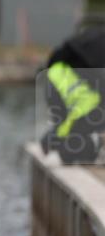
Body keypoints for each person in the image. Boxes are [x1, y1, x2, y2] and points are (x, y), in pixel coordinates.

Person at [40, 27, 105, 164]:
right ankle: (55, 141)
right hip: (64, 78)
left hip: (56, 74)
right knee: (80, 123)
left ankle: (57, 140)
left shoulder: (97, 36)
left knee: (73, 126)